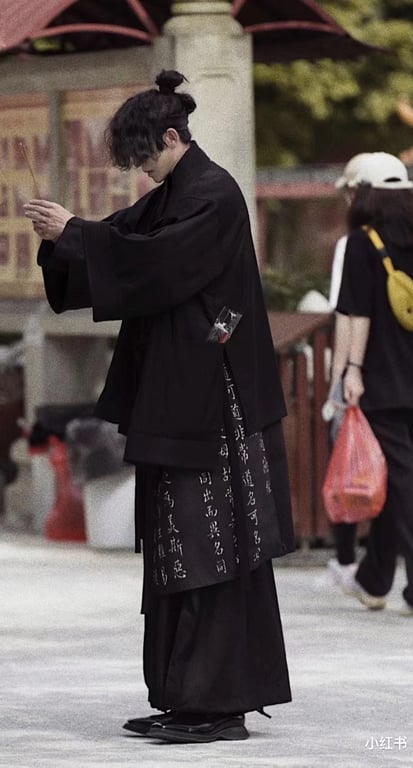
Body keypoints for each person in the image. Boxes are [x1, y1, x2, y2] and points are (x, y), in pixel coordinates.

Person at [24, 70, 295, 744]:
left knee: (210, 542)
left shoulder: (214, 195)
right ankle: (184, 696)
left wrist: (81, 235)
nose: (142, 175)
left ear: (173, 138)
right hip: (179, 393)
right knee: (176, 543)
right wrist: (69, 239)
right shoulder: (177, 192)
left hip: (214, 399)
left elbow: (156, 261)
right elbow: (125, 241)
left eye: (146, 159)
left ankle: (220, 702)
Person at [325, 152, 413, 616]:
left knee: (403, 479)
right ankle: (374, 578)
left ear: (366, 197)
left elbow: (358, 316)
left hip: (380, 384)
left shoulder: (361, 244)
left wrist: (352, 371)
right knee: (397, 470)